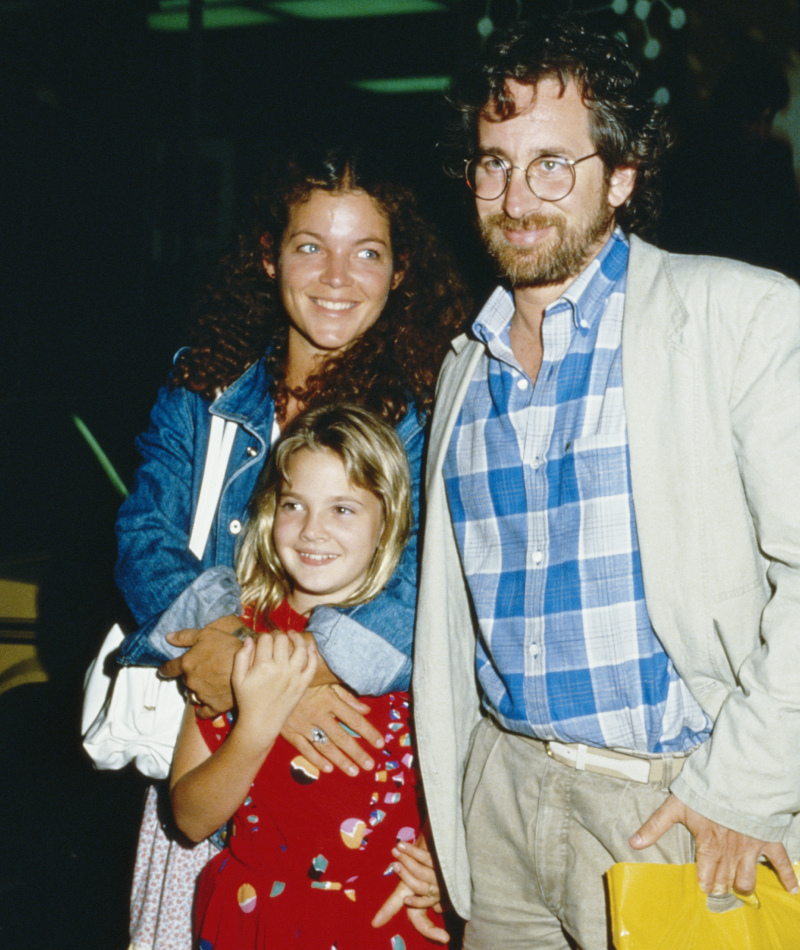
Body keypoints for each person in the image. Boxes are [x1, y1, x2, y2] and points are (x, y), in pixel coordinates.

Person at [410, 16, 800, 950]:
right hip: (500, 805)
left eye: (554, 163)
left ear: (620, 176)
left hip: (680, 807)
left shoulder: (739, 317)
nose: (516, 195)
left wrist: (742, 789)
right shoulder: (465, 369)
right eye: (493, 162)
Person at [114, 145, 469, 950]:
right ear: (269, 257)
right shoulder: (206, 385)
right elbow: (143, 535)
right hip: (212, 764)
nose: (336, 277)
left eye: (366, 252)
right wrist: (234, 652)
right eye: (311, 246)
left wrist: (281, 674)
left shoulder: (428, 414)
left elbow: (433, 577)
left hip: (356, 776)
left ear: (401, 268)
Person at [171, 403, 448, 948]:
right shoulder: (238, 636)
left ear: (388, 520)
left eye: (343, 509)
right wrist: (258, 723)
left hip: (385, 921)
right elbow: (189, 817)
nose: (313, 530)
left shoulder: (419, 645)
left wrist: (446, 862)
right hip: (258, 922)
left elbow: (472, 784)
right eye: (294, 504)